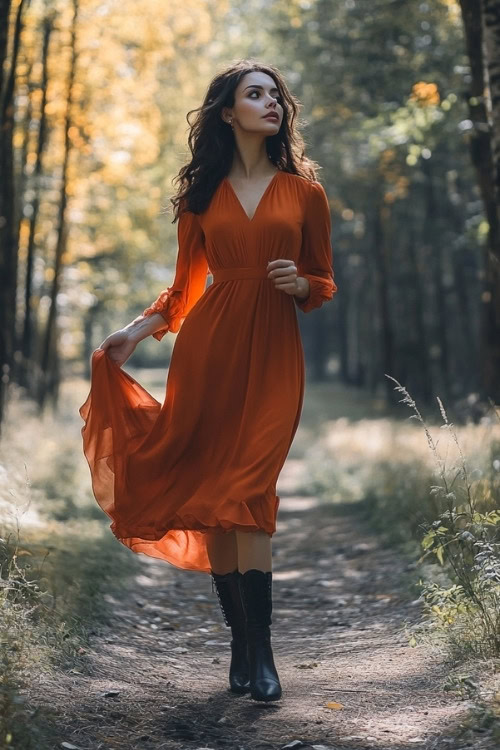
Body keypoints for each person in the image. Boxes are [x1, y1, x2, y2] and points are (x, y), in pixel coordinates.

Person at [79, 59, 338, 703]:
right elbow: (184, 290)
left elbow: (324, 279)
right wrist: (134, 334)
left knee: (252, 485)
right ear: (228, 112)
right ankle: (243, 647)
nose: (271, 104)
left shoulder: (306, 194)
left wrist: (300, 284)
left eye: (276, 95)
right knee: (220, 497)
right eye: (255, 95)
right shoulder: (201, 198)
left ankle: (265, 650)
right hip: (208, 353)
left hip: (275, 353)